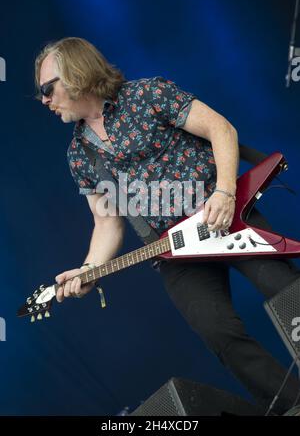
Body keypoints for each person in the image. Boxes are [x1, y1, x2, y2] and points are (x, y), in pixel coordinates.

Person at [35, 37, 300, 414]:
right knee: (217, 333)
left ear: (77, 73)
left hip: (222, 215)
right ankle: (292, 405)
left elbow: (221, 129)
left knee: (287, 291)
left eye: (48, 88)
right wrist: (90, 268)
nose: (44, 99)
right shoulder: (79, 155)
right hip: (173, 249)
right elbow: (107, 222)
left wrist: (224, 193)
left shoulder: (147, 94)